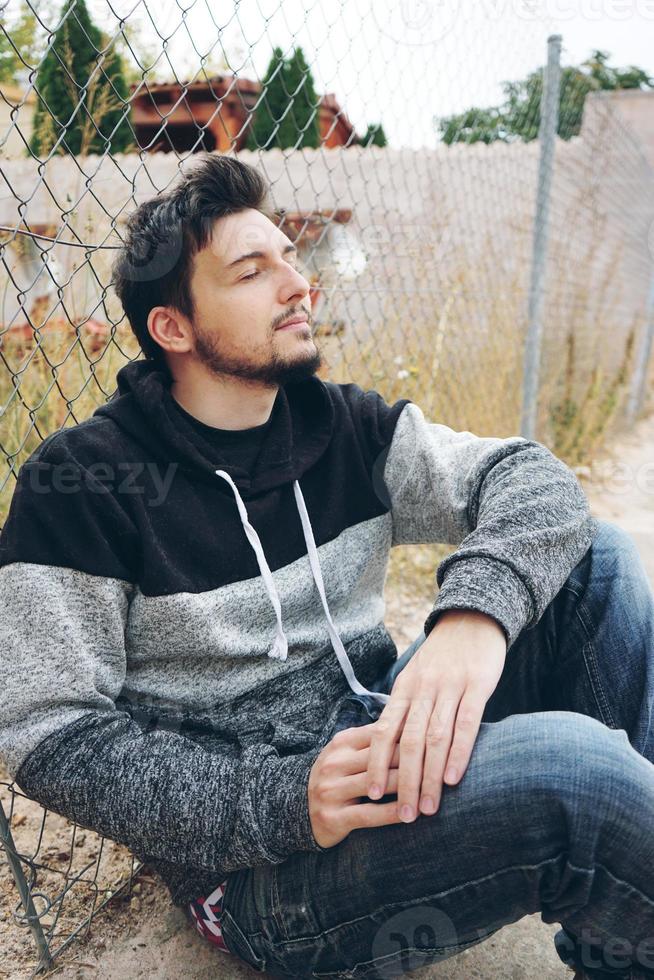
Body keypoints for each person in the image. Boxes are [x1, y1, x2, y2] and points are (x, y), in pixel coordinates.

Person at [0, 153, 652, 980]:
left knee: (593, 563)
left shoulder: (343, 425)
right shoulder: (85, 481)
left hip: (381, 740)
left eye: (291, 260)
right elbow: (48, 735)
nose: (298, 284)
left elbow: (531, 479)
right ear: (173, 327)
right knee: (578, 777)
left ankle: (623, 945)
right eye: (253, 270)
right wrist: (280, 799)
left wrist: (475, 618)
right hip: (261, 875)